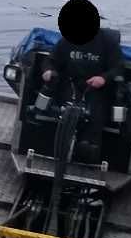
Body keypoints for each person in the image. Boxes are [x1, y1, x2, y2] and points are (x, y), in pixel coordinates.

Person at [41, 14, 123, 163]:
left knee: (95, 112)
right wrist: (47, 70)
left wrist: (103, 78)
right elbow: (50, 60)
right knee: (60, 107)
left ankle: (88, 147)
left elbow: (118, 68)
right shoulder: (67, 40)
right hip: (70, 83)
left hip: (96, 86)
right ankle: (47, 142)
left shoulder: (108, 43)